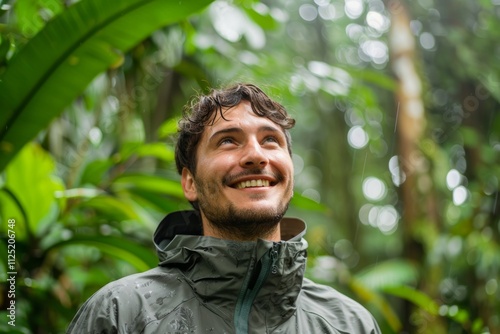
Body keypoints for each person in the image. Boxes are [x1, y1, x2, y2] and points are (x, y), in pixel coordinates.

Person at [67, 83, 381, 333]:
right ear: (190, 183)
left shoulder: (349, 324)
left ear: (290, 175)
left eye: (270, 139)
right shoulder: (121, 314)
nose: (256, 156)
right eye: (228, 141)